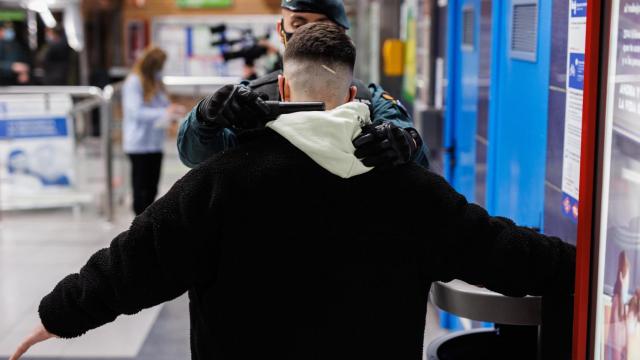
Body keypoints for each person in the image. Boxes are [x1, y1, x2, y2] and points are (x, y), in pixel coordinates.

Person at [10, 23, 575, 360]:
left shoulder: (223, 181)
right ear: (352, 89)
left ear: (281, 85)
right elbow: (506, 252)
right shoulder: (407, 186)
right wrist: (595, 271)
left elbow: (135, 259)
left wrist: (54, 317)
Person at [177, 0, 430, 170]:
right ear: (281, 30)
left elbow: (416, 156)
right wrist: (205, 118)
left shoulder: (370, 100)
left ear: (342, 34)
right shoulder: (248, 100)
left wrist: (406, 143)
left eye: (321, 23)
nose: (309, 32)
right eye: (297, 23)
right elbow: (197, 159)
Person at [122, 46, 185, 215]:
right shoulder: (134, 82)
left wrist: (172, 110)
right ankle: (138, 228)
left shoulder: (156, 82)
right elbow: (136, 112)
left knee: (152, 189)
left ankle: (146, 226)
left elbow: (163, 106)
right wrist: (164, 112)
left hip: (155, 144)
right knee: (140, 190)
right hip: (139, 144)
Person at [0, 21, 30, 85]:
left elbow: (22, 60)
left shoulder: (14, 44)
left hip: (13, 82)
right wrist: (11, 67)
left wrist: (24, 72)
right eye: (4, 29)